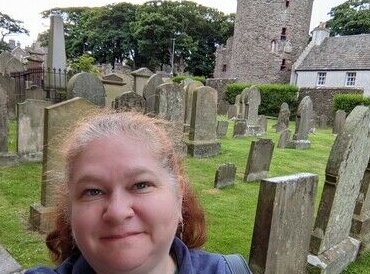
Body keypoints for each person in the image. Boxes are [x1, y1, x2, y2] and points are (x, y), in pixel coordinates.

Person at [26, 111, 250, 274]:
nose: (116, 212)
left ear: (178, 195)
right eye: (93, 191)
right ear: (69, 210)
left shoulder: (229, 271)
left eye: (141, 185)